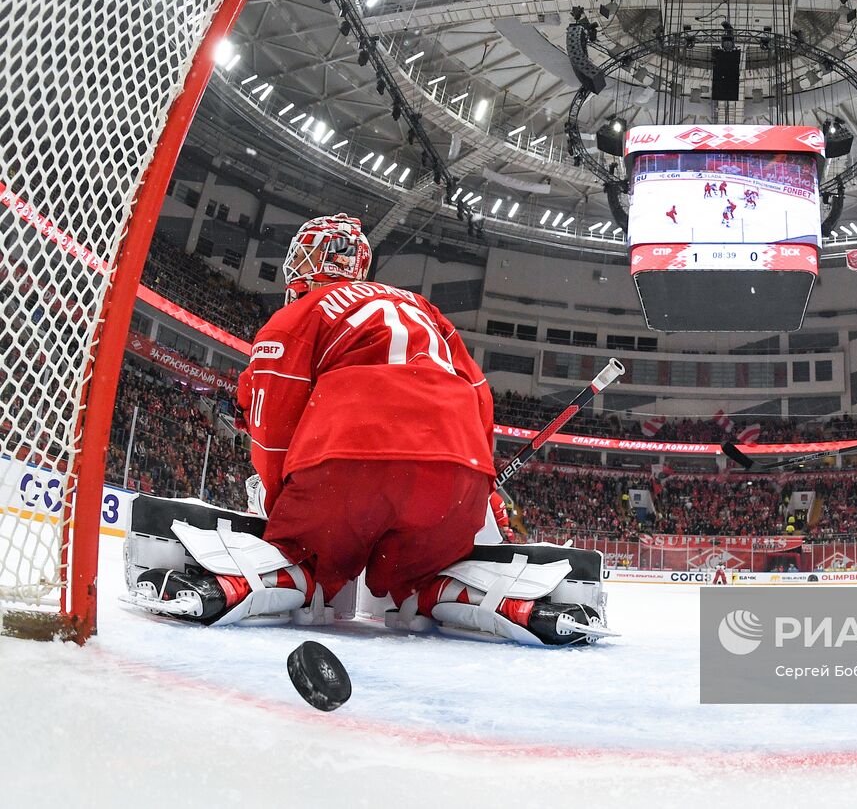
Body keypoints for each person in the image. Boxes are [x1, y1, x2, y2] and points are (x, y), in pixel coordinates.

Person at [129, 214, 604, 644]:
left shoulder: (299, 314)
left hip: (348, 467)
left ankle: (229, 585)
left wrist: (285, 514)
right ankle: (514, 601)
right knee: (421, 579)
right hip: (456, 479)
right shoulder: (424, 309)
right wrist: (480, 490)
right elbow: (480, 398)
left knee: (307, 562)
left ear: (307, 264)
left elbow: (273, 430)